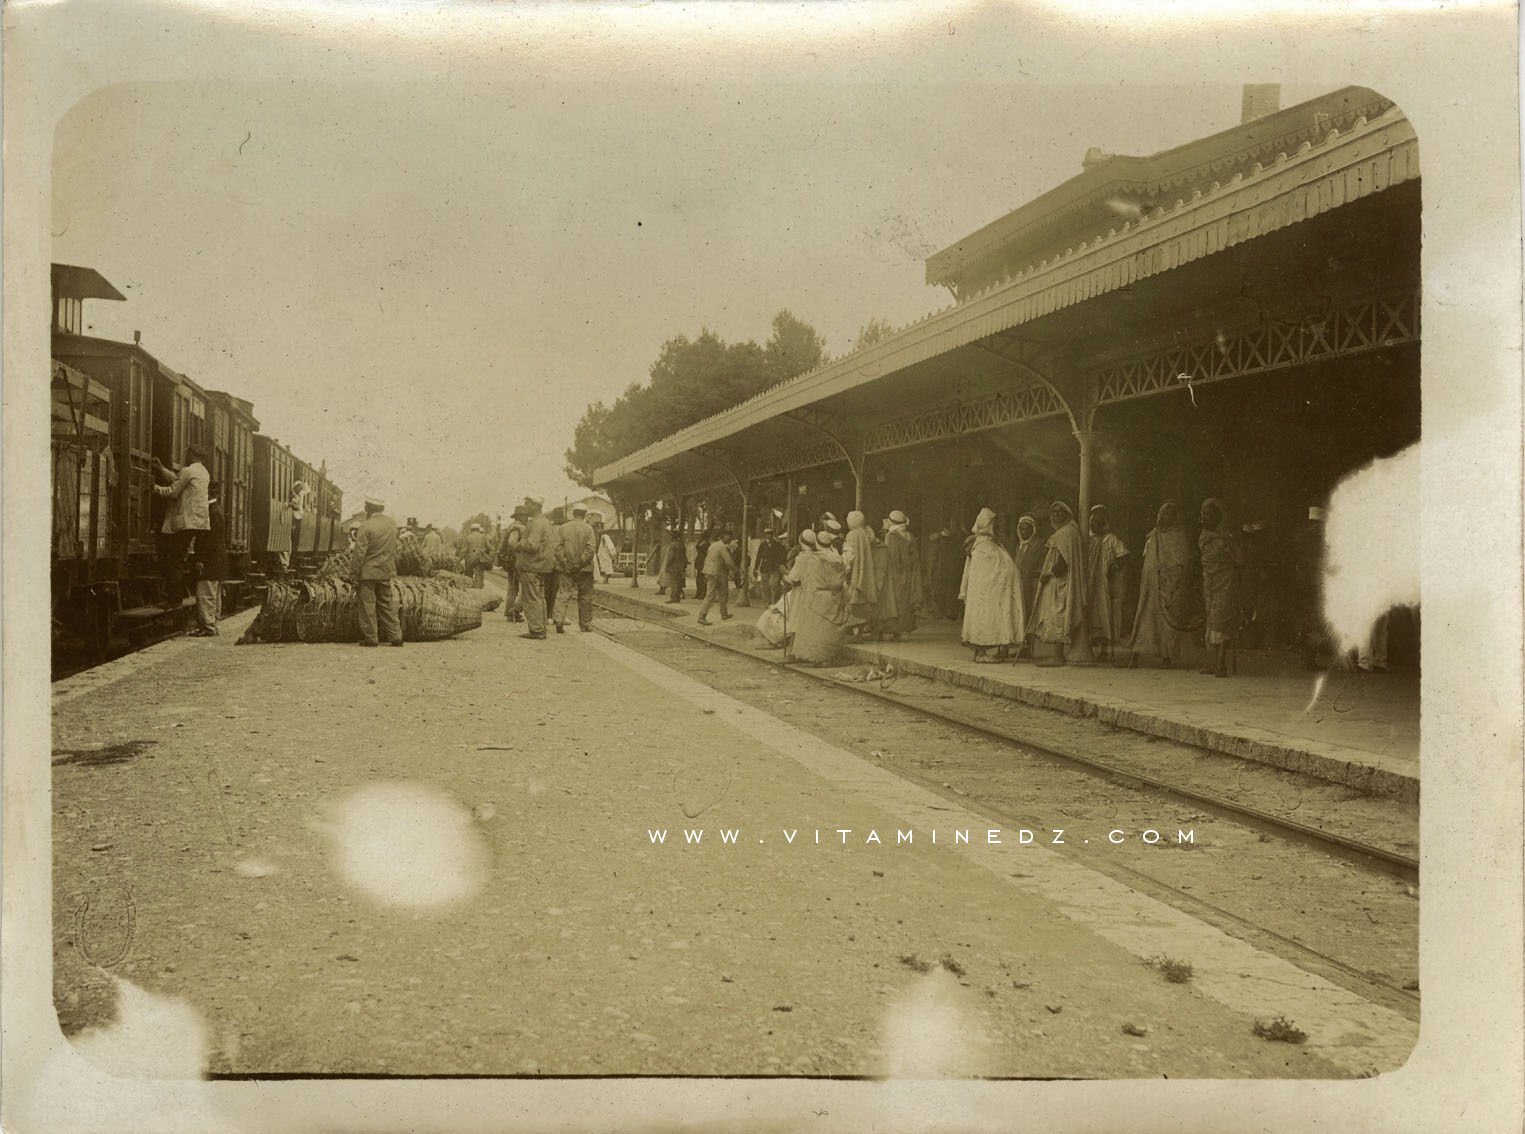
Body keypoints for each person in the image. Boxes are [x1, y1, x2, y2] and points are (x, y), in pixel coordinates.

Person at [1126, 501, 1197, 668]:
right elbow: (1147, 561)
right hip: (1151, 588)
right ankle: (1136, 655)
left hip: (1170, 586)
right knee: (1146, 618)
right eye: (1164, 514)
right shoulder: (1153, 536)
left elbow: (1183, 562)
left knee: (1168, 623)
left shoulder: (1179, 537)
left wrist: (1170, 576)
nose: (1166, 518)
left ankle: (1167, 657)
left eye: (1170, 515)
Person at [958, 508, 1023, 662]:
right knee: (983, 619)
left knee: (985, 618)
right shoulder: (984, 546)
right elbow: (990, 571)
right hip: (985, 593)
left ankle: (980, 653)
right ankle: (980, 653)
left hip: (986, 592)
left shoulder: (986, 543)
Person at [152, 444, 211, 610]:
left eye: (187, 454)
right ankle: (176, 596)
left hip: (186, 522)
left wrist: (153, 487)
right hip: (199, 523)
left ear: (192, 455)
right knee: (179, 557)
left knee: (174, 561)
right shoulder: (203, 472)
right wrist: (162, 469)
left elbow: (173, 491)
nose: (185, 457)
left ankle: (174, 600)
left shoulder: (188, 470)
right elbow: (178, 480)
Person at [1032, 501, 1085, 666]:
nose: (1055, 515)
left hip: (1060, 582)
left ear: (1067, 514)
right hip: (1058, 581)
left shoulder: (1066, 533)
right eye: (1053, 513)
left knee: (1058, 615)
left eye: (1059, 512)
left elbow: (1063, 562)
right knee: (1057, 615)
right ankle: (1057, 654)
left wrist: (1048, 574)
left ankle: (1057, 656)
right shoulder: (1067, 532)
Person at [784, 528, 846, 665]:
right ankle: (828, 656)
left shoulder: (811, 559)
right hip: (833, 597)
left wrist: (784, 575)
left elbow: (795, 579)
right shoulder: (837, 558)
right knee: (827, 630)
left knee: (809, 628)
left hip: (812, 596)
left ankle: (809, 656)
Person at [1198, 497, 1243, 677]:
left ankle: (1221, 664)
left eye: (1211, 514)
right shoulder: (1204, 536)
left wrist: (1229, 543)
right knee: (1211, 620)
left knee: (1221, 621)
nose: (1208, 517)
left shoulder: (1227, 536)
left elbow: (1240, 559)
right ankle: (1214, 662)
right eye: (1205, 514)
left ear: (1219, 516)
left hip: (1226, 582)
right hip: (1210, 582)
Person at [352, 495, 403, 647]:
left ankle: (371, 638)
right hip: (385, 571)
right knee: (387, 604)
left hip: (368, 573)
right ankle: (396, 636)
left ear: (370, 508)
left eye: (366, 506)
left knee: (368, 605)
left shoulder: (365, 526)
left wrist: (353, 574)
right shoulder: (392, 525)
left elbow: (359, 554)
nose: (365, 509)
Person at [1085, 504, 1130, 661]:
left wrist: (1115, 567)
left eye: (1097, 522)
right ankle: (1088, 648)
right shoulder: (1087, 540)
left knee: (1105, 614)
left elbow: (1123, 557)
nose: (1093, 525)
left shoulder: (1111, 540)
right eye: (1091, 522)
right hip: (1090, 582)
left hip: (1104, 583)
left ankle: (1104, 650)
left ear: (1104, 523)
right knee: (1089, 614)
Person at [189, 480, 229, 636]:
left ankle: (208, 627)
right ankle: (212, 624)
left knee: (205, 594)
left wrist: (201, 559)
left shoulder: (210, 512)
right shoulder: (217, 510)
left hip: (210, 561)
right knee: (214, 594)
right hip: (217, 561)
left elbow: (209, 540)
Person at [550, 504, 597, 633]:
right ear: (585, 514)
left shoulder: (563, 528)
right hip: (584, 569)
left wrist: (566, 563)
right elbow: (591, 549)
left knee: (563, 594)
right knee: (585, 596)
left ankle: (559, 621)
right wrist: (580, 563)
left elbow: (558, 548)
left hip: (566, 568)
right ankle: (585, 625)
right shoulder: (589, 529)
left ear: (573, 513)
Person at [879, 510, 922, 641]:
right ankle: (904, 630)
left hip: (895, 575)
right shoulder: (909, 535)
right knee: (906, 602)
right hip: (909, 574)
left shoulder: (892, 536)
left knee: (894, 602)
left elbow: (892, 558)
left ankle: (895, 630)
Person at [516, 498, 555, 640]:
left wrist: (519, 543)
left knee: (531, 598)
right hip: (542, 565)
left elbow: (532, 545)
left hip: (532, 565)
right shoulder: (545, 522)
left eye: (528, 503)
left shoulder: (536, 523)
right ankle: (541, 628)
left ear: (535, 505)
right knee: (540, 598)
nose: (525, 505)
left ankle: (536, 630)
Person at [841, 511, 881, 635]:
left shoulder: (852, 535)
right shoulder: (866, 534)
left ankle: (855, 632)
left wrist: (845, 568)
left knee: (852, 601)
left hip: (854, 572)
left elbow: (849, 556)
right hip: (865, 571)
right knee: (863, 601)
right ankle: (860, 631)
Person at [1013, 514, 1046, 658]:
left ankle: (1031, 647)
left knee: (1031, 615)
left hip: (1032, 585)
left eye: (1026, 529)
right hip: (1020, 585)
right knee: (1022, 614)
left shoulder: (1039, 545)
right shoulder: (1019, 546)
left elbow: (1043, 564)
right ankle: (1024, 646)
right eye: (1021, 528)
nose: (1023, 531)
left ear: (1032, 530)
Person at [695, 534, 737, 625]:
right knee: (711, 595)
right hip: (715, 573)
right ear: (723, 537)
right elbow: (729, 561)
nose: (729, 539)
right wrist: (736, 570)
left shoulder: (713, 545)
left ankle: (724, 614)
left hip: (712, 572)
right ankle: (701, 616)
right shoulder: (721, 547)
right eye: (728, 537)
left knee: (722, 593)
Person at [498, 507, 527, 621]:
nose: (526, 518)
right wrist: (518, 551)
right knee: (518, 587)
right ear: (520, 516)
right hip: (515, 561)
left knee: (512, 587)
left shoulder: (512, 526)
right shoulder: (517, 527)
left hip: (510, 560)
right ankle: (513, 612)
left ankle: (510, 612)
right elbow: (511, 542)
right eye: (525, 516)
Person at [754, 529, 788, 606]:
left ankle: (773, 601)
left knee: (773, 585)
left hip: (774, 568)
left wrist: (782, 566)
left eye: (769, 534)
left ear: (772, 535)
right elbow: (758, 557)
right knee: (765, 586)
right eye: (766, 534)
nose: (768, 536)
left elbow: (783, 556)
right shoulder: (762, 545)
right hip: (765, 568)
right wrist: (756, 568)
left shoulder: (778, 545)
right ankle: (767, 602)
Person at [659, 522, 688, 602]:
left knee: (674, 582)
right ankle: (677, 597)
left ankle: (674, 597)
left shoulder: (673, 545)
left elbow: (670, 557)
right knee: (678, 582)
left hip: (673, 567)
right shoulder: (681, 545)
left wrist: (667, 565)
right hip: (680, 567)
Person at [592, 512, 618, 583]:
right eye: (597, 527)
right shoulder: (594, 535)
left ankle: (605, 579)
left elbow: (610, 546)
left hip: (604, 554)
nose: (599, 529)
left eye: (600, 527)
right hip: (597, 553)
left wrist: (613, 554)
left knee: (606, 566)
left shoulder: (605, 537)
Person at [462, 522, 489, 588]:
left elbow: (464, 550)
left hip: (470, 560)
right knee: (479, 575)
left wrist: (459, 560)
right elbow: (490, 548)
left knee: (468, 574)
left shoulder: (468, 537)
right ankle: (479, 589)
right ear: (478, 529)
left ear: (471, 529)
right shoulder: (484, 537)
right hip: (480, 559)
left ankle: (469, 587)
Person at [693, 528, 713, 601]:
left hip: (704, 562)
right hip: (699, 561)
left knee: (703, 579)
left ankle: (703, 593)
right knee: (699, 579)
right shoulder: (701, 542)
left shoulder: (707, 544)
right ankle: (698, 592)